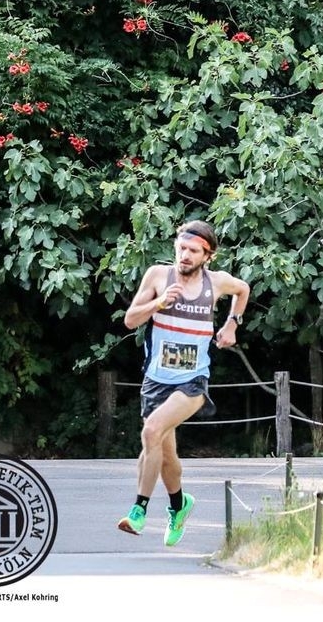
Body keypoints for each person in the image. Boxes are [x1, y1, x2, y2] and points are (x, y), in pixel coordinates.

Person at [117, 220, 251, 545]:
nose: (185, 255)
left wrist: (232, 324)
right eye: (182, 248)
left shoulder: (216, 283)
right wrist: (158, 303)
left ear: (208, 256)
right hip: (156, 381)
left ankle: (138, 511)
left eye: (193, 251)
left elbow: (243, 289)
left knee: (150, 432)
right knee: (164, 453)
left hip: (192, 380)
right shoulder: (157, 276)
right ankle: (179, 505)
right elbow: (130, 320)